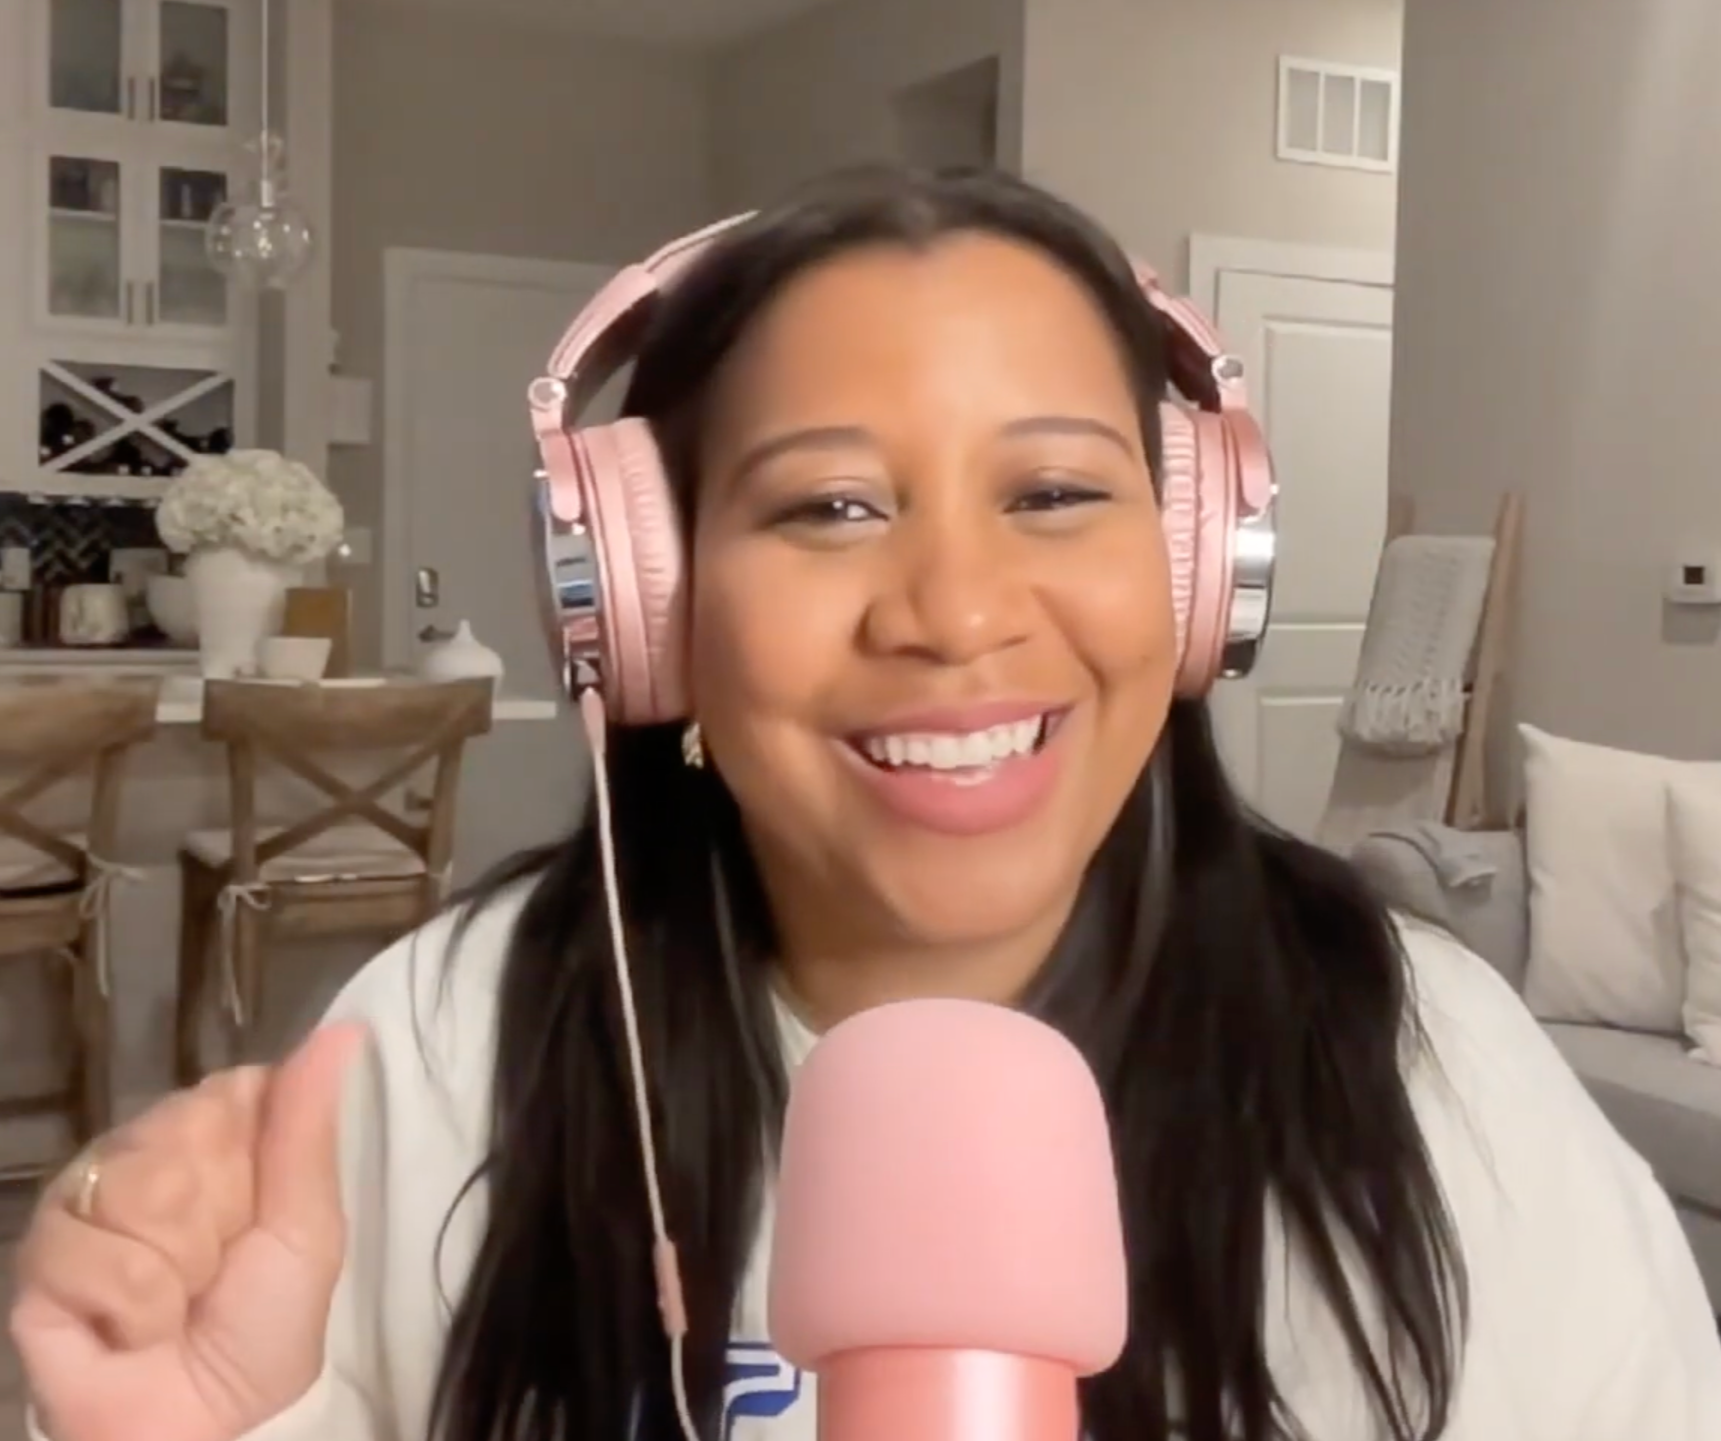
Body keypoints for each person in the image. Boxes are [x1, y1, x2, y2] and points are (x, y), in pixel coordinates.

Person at [9, 166, 1721, 1441]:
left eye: (1055, 490)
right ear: (649, 602)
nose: (955, 614)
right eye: (829, 508)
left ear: (1201, 577)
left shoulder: (1436, 1074)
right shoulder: (442, 1053)